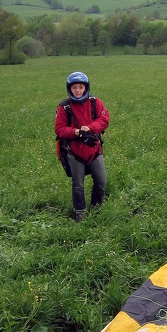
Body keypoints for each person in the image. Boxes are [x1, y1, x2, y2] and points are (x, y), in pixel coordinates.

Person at [55, 71, 110, 221]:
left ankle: (96, 208)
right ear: (69, 89)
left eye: (81, 87)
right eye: (74, 88)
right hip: (74, 152)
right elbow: (59, 129)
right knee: (78, 185)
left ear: (86, 87)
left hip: (94, 149)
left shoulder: (95, 102)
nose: (78, 91)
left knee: (101, 182)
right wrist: (76, 132)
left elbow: (104, 119)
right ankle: (80, 213)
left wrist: (90, 128)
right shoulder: (64, 107)